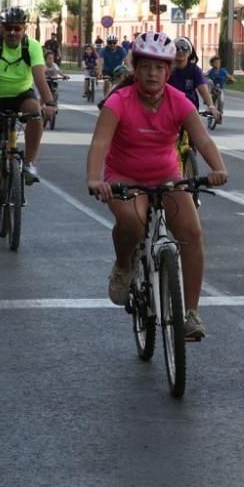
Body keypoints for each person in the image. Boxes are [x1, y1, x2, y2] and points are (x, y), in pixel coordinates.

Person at [86, 30, 228, 340]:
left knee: (191, 233)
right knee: (133, 221)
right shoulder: (119, 101)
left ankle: (190, 313)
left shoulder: (178, 101)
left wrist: (218, 167)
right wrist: (95, 179)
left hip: (167, 176)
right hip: (124, 176)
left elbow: (202, 138)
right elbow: (99, 143)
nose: (152, 73)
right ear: (135, 69)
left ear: (169, 70)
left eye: (159, 67)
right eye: (146, 66)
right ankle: (124, 265)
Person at [0, 7, 56, 213]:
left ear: (24, 29)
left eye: (17, 28)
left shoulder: (32, 46)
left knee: (35, 110)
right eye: (8, 28)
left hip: (20, 96)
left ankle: (28, 164)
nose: (13, 32)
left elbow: (39, 77)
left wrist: (50, 103)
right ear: (1, 28)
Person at [168, 37, 219, 121]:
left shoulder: (194, 69)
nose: (180, 51)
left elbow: (203, 89)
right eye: (177, 48)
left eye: (185, 48)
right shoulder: (166, 69)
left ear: (189, 52)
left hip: (189, 111)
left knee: (197, 133)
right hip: (169, 111)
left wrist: (211, 106)